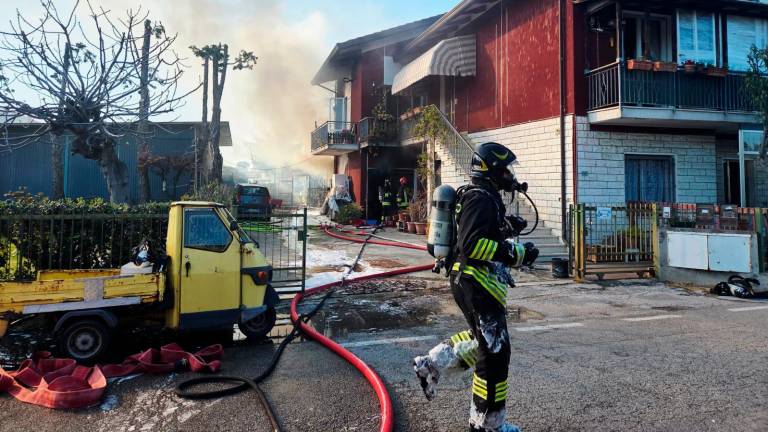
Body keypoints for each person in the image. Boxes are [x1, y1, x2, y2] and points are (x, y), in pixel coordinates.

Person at [412, 142, 539, 432]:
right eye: (505, 169)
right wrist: (518, 254)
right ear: (492, 169)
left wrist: (507, 227)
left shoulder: (482, 196)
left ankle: (429, 365)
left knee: (484, 342)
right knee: (495, 354)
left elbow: (478, 233)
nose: (509, 175)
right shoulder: (482, 198)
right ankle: (487, 424)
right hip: (475, 283)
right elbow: (472, 245)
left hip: (471, 282)